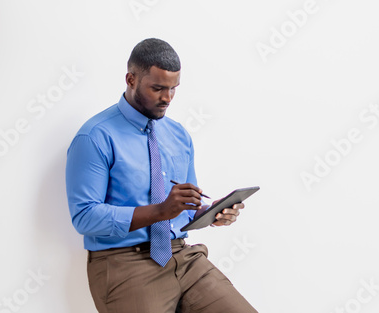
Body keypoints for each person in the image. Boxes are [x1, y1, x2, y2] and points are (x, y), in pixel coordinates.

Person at [65, 38, 258, 313]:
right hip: (126, 264)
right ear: (131, 79)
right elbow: (84, 217)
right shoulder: (95, 136)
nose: (167, 98)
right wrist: (160, 211)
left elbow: (185, 205)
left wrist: (210, 211)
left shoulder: (178, 134)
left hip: (184, 256)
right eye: (157, 88)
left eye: (173, 89)